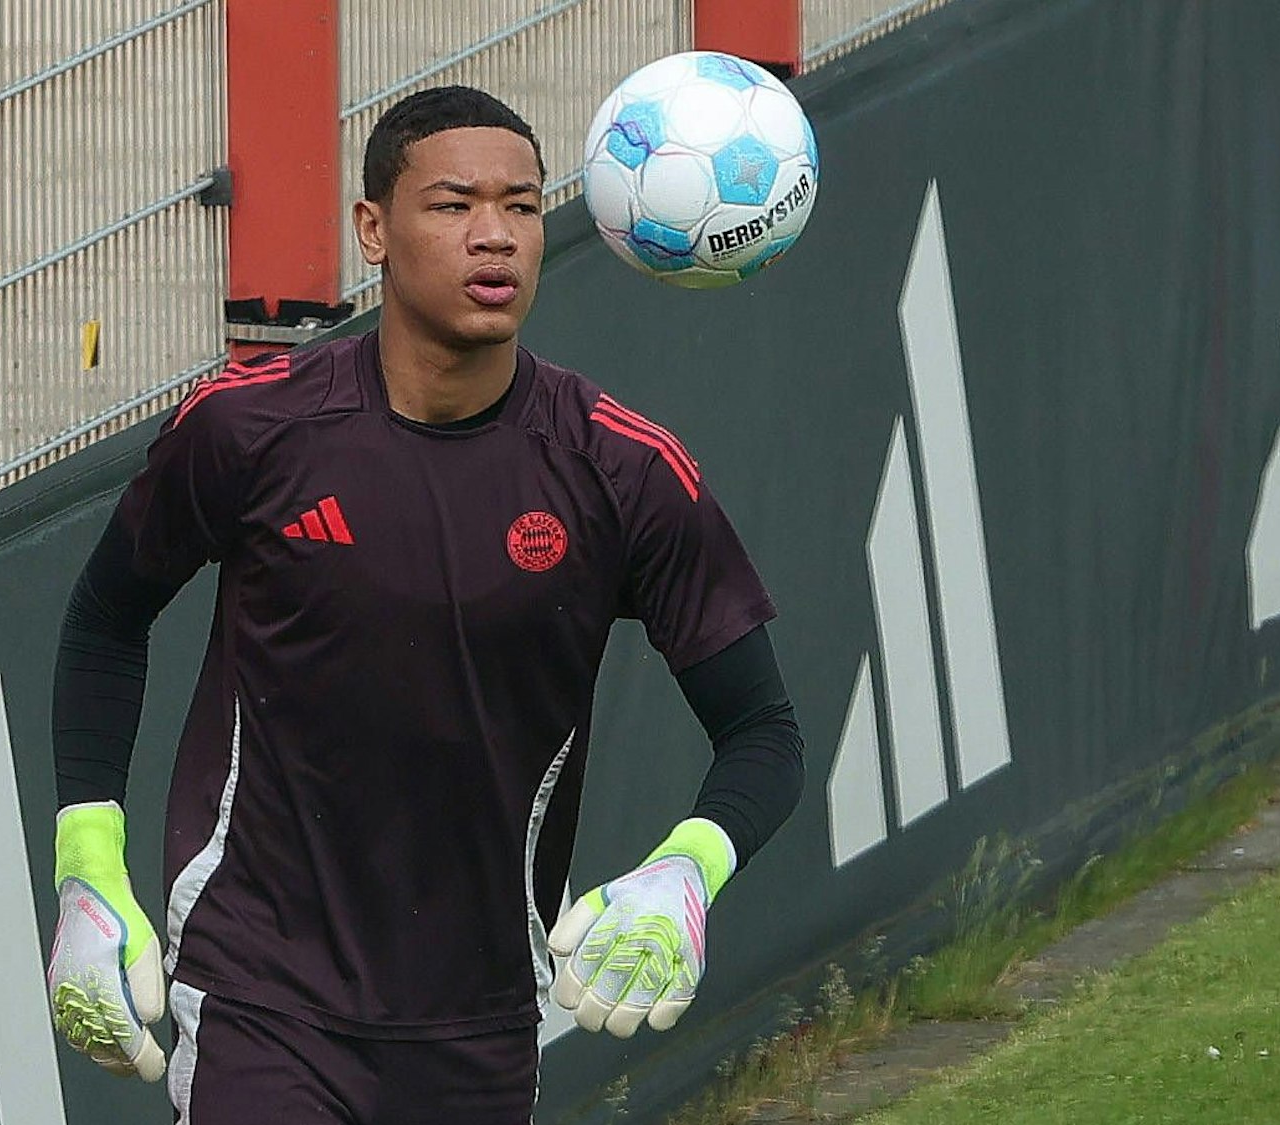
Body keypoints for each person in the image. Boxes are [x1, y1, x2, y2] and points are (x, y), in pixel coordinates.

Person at [44, 85, 806, 1124]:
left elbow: (762, 733)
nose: (492, 237)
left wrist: (685, 872)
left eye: (522, 206)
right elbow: (104, 619)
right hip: (260, 991)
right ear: (373, 230)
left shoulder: (620, 472)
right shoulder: (247, 433)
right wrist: (86, 866)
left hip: (484, 1016)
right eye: (452, 205)